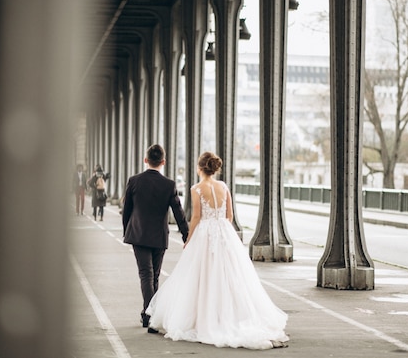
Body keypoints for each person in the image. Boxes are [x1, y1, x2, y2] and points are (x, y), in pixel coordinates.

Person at [145, 151, 289, 349]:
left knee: (201, 274)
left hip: (205, 232)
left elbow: (196, 217)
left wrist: (190, 238)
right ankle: (232, 315)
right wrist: (220, 228)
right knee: (230, 274)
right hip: (224, 232)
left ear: (199, 168)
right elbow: (229, 215)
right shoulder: (223, 186)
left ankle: (204, 317)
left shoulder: (197, 189)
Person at [122, 144, 189, 332]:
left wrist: (127, 230)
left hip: (138, 234)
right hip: (159, 236)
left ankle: (149, 314)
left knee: (146, 274)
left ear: (146, 160)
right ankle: (152, 315)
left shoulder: (134, 181)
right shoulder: (169, 185)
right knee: (155, 276)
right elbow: (179, 212)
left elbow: (126, 210)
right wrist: (186, 236)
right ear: (163, 162)